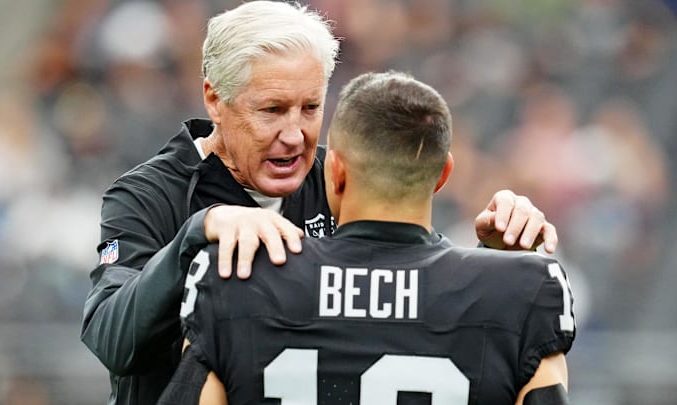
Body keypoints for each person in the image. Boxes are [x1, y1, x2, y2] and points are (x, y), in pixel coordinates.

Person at [80, 2, 558, 404]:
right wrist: (195, 235)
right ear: (214, 99)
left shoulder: (337, 175)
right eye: (272, 110)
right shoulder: (148, 196)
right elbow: (111, 338)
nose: (294, 135)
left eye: (310, 108)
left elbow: (409, 283)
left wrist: (494, 262)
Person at [161, 70, 575, 405]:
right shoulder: (523, 291)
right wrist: (497, 264)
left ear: (336, 171)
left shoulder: (236, 274)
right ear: (443, 175)